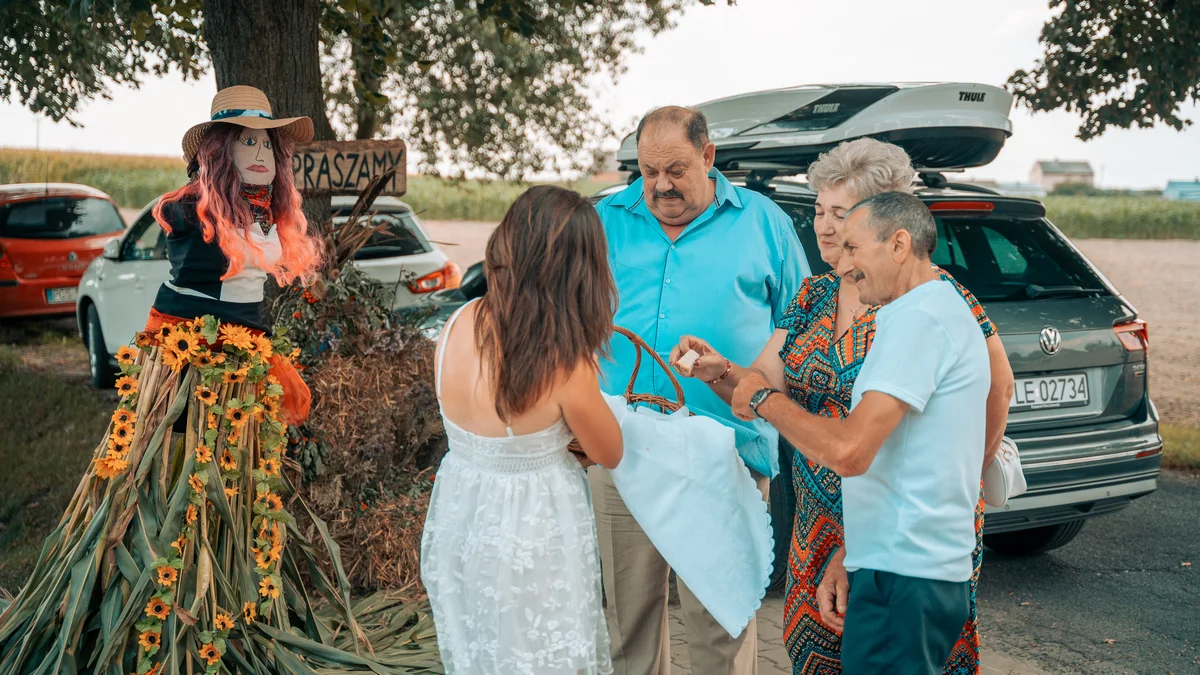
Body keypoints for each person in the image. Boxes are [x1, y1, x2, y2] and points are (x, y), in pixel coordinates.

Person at [0, 85, 365, 673]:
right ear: (220, 148)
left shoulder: (266, 206)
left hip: (242, 356)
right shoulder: (188, 210)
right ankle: (160, 596)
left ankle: (231, 597)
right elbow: (211, 289)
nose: (261, 154)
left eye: (268, 143)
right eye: (247, 141)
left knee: (234, 472)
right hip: (191, 358)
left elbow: (258, 282)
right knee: (176, 473)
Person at [670, 138, 1014, 674]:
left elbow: (997, 391)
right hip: (817, 525)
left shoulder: (923, 301)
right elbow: (763, 385)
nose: (825, 228)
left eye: (841, 215)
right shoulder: (813, 296)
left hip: (898, 534)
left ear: (886, 228)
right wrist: (724, 374)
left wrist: (957, 481)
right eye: (819, 211)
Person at [731, 191, 993, 673]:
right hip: (898, 563)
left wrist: (767, 401)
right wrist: (854, 554)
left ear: (898, 245)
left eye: (854, 248)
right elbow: (902, 459)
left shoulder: (920, 320)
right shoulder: (922, 310)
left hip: (907, 576)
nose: (844, 263)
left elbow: (851, 452)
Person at [592, 105, 808, 675]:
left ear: (708, 158)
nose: (660, 185)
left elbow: (802, 322)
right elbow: (563, 317)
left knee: (720, 622)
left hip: (726, 453)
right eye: (648, 170)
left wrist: (753, 378)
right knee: (628, 628)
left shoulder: (766, 222)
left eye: (676, 169)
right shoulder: (603, 220)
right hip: (622, 450)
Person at [420, 185, 624, 674]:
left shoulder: (456, 323)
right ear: (576, 270)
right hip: (534, 527)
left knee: (481, 650)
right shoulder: (563, 360)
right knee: (541, 654)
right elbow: (610, 450)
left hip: (461, 516)